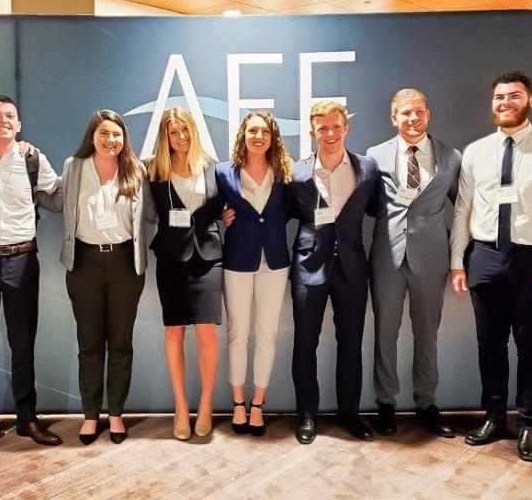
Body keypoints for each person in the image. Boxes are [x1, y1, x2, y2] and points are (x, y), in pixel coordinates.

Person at [450, 71, 532, 462]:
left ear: (531, 101)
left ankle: (527, 424)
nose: (506, 102)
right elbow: (463, 210)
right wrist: (458, 260)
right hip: (485, 257)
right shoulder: (475, 152)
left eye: (514, 96)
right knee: (489, 345)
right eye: (500, 97)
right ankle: (493, 417)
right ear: (492, 104)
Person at [37, 109, 155, 445]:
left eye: (117, 134)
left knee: (120, 344)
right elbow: (55, 200)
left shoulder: (137, 170)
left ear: (124, 139)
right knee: (89, 344)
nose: (111, 140)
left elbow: (153, 212)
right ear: (93, 136)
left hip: (124, 266)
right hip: (84, 264)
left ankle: (115, 414)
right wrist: (25, 166)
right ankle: (91, 415)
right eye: (104, 133)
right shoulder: (73, 168)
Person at [0, 95, 63, 461]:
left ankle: (26, 419)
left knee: (23, 344)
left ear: (18, 125)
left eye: (11, 116)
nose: (3, 120)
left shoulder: (33, 159)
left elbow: (59, 196)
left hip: (22, 260)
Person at [367, 89, 460, 438]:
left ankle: (426, 403)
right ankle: (386, 404)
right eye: (405, 113)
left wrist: (459, 258)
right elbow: (367, 204)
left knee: (427, 335)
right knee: (385, 334)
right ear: (394, 117)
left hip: (432, 259)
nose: (413, 118)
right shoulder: (375, 157)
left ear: (428, 114)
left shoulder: (451, 157)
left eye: (419, 112)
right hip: (386, 259)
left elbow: (463, 209)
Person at [287, 100, 380, 444]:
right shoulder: (296, 172)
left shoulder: (367, 169)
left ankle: (350, 414)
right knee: (305, 344)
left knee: (351, 344)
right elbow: (279, 213)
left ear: (346, 128)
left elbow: (379, 211)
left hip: (353, 268)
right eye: (322, 128)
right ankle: (307, 415)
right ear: (312, 132)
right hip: (308, 267)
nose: (330, 133)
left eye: (336, 126)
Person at [147, 108, 223, 440]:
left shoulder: (212, 167)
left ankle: (205, 404)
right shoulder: (154, 170)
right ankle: (181, 406)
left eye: (184, 130)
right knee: (174, 333)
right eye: (173, 132)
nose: (180, 137)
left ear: (193, 130)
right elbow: (149, 212)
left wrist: (227, 216)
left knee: (206, 333)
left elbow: (225, 204)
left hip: (208, 258)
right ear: (165, 136)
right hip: (171, 259)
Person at [216, 110, 292, 437]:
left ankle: (257, 404)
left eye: (264, 131)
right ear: (243, 136)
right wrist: (220, 213)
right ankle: (237, 403)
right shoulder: (223, 172)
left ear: (272, 137)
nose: (258, 136)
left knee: (267, 333)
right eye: (252, 131)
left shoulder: (285, 174)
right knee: (237, 332)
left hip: (275, 262)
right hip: (237, 260)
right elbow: (207, 206)